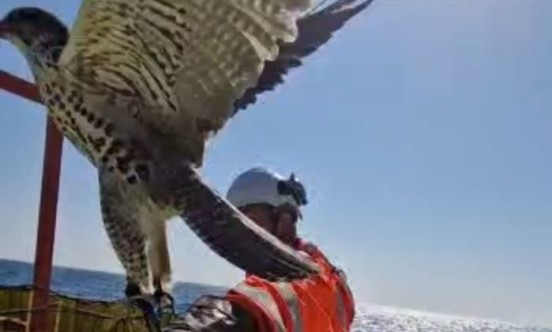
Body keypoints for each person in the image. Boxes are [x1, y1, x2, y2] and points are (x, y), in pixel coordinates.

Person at [165, 167, 355, 332]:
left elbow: (272, 298)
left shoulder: (309, 276)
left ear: (284, 219)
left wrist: (209, 322)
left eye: (248, 222)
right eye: (233, 225)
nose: (238, 237)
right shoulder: (332, 275)